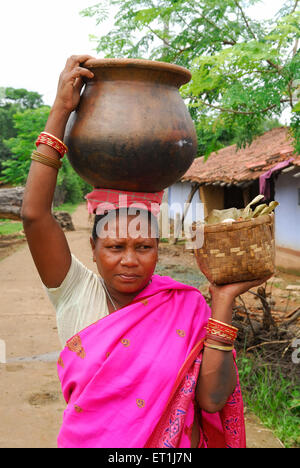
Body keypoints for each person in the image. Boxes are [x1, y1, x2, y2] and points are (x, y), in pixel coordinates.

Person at [21, 55, 271, 449]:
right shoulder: (75, 294)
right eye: (115, 247)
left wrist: (222, 301)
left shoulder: (185, 306)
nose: (130, 260)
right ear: (93, 247)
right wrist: (61, 110)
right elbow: (35, 216)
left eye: (144, 247)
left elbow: (211, 399)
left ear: (158, 247)